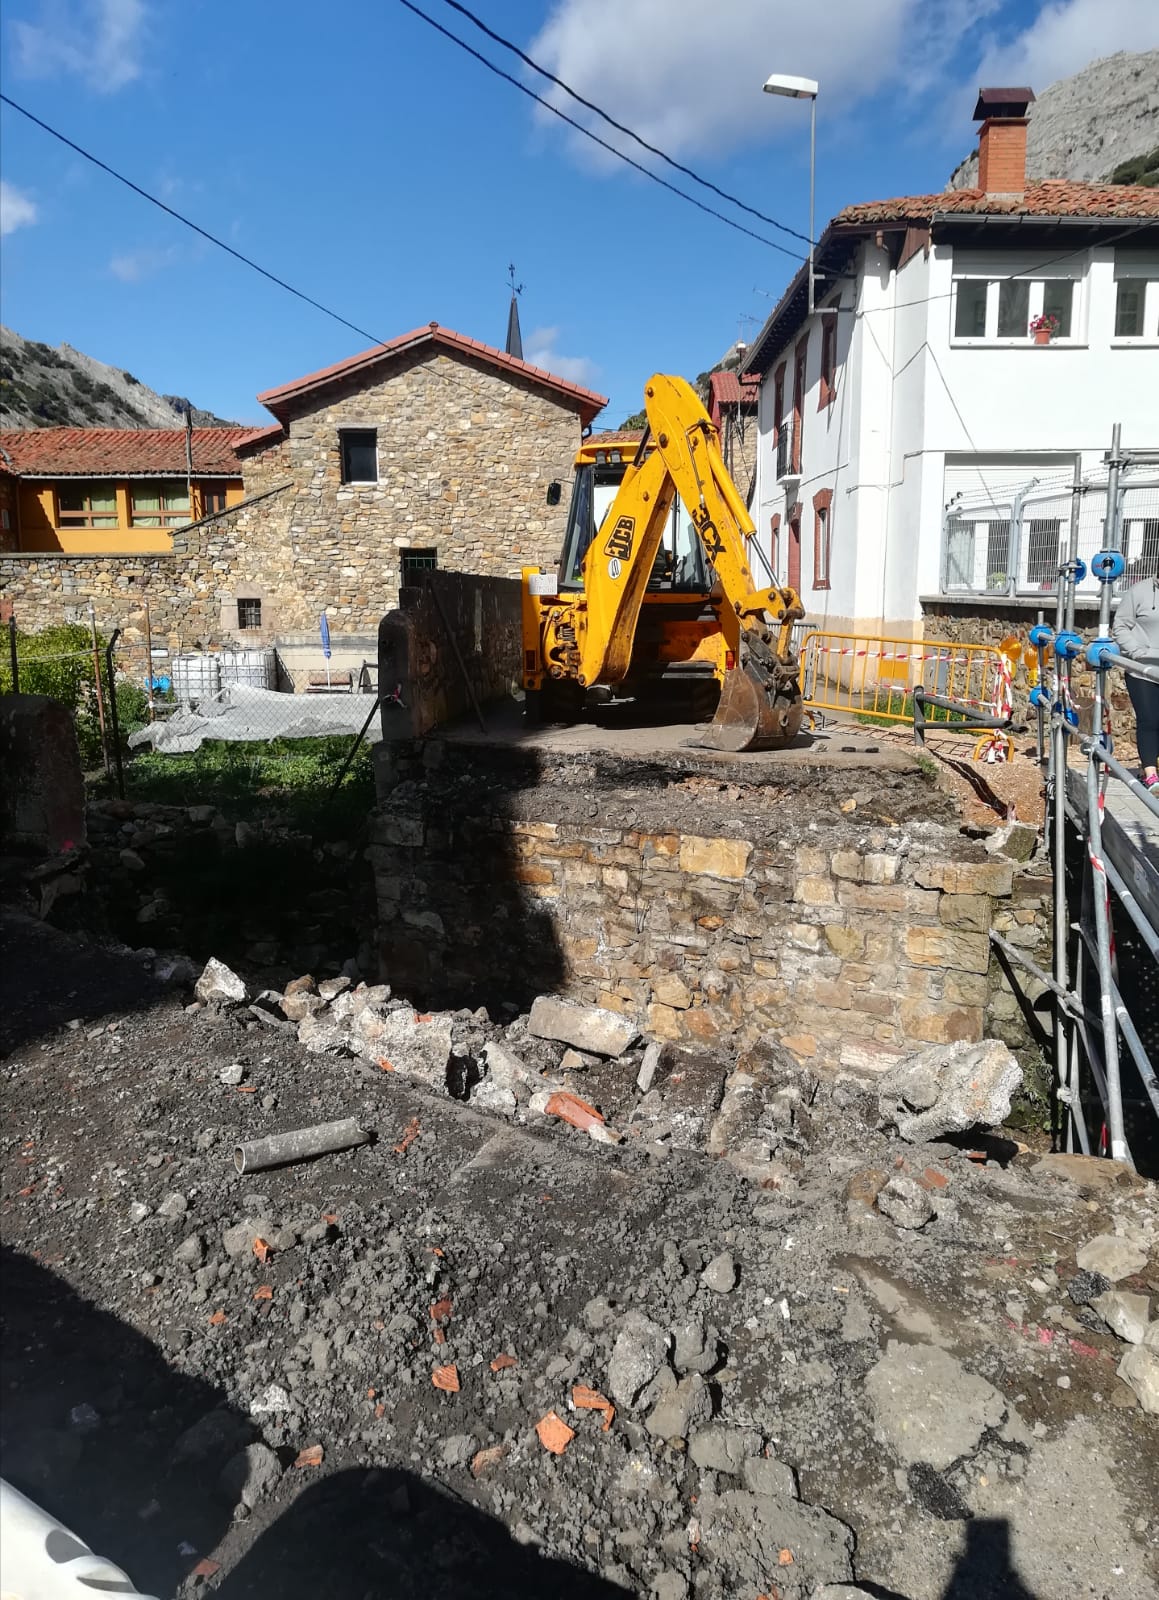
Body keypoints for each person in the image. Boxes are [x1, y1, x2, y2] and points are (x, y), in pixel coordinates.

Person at [1112, 570, 1159, 789]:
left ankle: (1148, 766)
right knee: (1149, 719)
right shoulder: (1139, 592)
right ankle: (1150, 773)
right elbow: (1120, 627)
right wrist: (1136, 651)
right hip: (1142, 669)